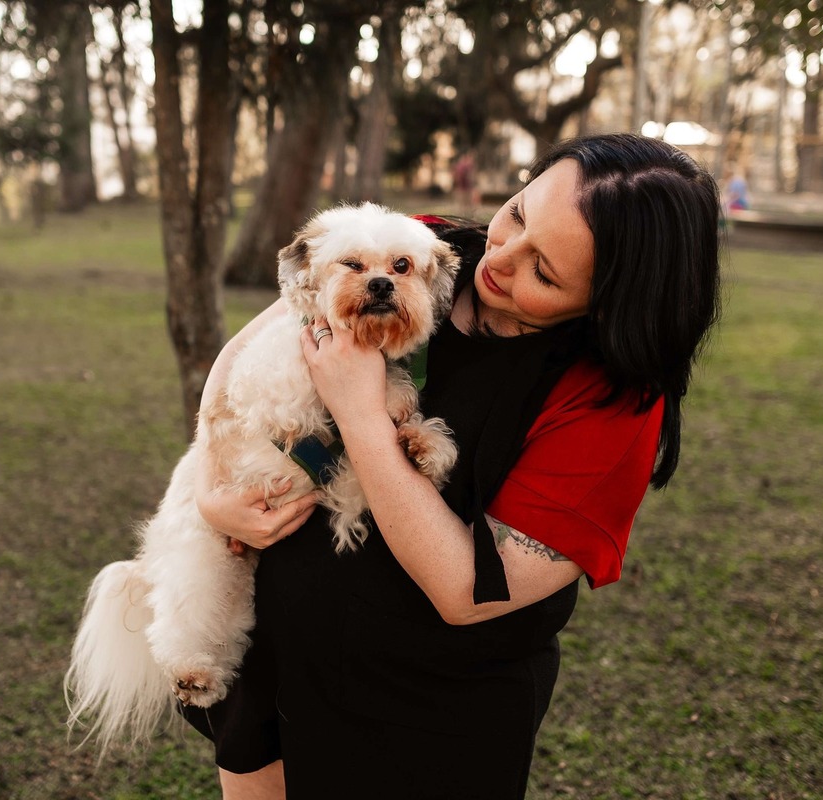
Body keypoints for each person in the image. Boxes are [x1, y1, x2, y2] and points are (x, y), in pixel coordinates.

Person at [182, 132, 722, 799]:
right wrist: (209, 491)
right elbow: (242, 351)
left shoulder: (610, 405)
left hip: (424, 721)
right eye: (518, 213)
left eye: (544, 272)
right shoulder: (419, 249)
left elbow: (467, 592)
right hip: (276, 666)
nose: (500, 257)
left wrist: (360, 414)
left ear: (609, 300)